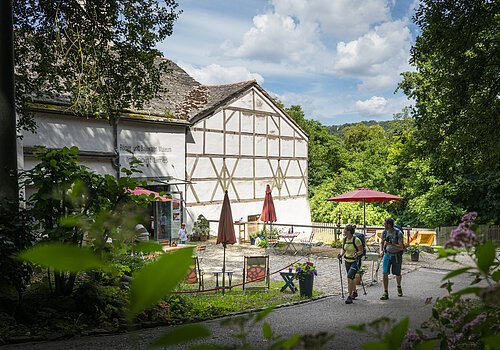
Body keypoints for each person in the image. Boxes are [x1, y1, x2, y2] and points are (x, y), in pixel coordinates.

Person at [379, 217, 404, 300]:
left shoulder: (398, 233)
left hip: (396, 255)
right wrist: (381, 250)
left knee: (397, 273)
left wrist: (391, 244)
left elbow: (401, 247)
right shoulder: (384, 232)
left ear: (389, 225)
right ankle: (385, 292)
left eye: (385, 224)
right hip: (387, 254)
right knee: (384, 272)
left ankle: (399, 286)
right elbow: (382, 242)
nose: (384, 225)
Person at [337, 224, 363, 304]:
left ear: (349, 231)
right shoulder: (345, 240)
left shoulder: (356, 240)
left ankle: (349, 296)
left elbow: (361, 251)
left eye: (345, 229)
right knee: (352, 278)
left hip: (355, 262)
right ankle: (354, 292)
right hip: (347, 261)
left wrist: (356, 254)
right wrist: (341, 254)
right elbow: (343, 249)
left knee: (349, 277)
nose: (343, 231)